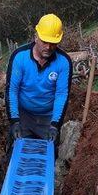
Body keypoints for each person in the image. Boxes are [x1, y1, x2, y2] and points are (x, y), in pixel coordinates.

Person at [5, 13, 72, 157]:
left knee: (47, 157)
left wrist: (55, 124)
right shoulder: (20, 57)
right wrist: (14, 121)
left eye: (53, 43)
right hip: (23, 117)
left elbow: (61, 95)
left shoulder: (63, 62)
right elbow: (12, 91)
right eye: (44, 41)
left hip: (48, 120)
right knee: (17, 155)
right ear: (36, 37)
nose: (48, 47)